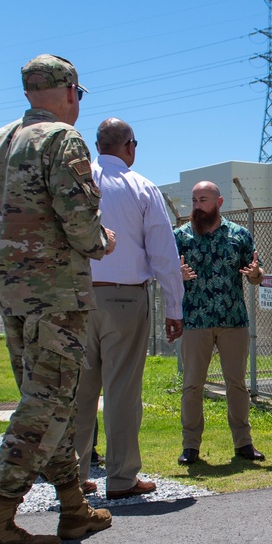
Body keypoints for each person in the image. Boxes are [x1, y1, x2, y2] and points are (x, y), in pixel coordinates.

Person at [0, 54, 116, 544]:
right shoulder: (62, 139)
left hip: (10, 291)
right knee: (48, 403)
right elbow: (80, 223)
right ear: (70, 91)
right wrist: (103, 242)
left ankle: (73, 508)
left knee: (48, 399)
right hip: (55, 294)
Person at [73, 118, 184, 500]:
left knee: (80, 390)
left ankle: (73, 476)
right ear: (129, 146)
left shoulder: (77, 181)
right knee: (121, 390)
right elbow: (163, 252)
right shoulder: (140, 187)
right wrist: (174, 305)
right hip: (124, 297)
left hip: (77, 297)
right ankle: (120, 477)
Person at [175, 181, 265, 465]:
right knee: (192, 385)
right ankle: (190, 446)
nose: (197, 205)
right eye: (194, 200)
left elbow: (255, 274)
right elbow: (163, 274)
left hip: (233, 320)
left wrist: (255, 273)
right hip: (195, 320)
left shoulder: (239, 235)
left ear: (219, 202)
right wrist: (177, 275)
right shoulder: (180, 236)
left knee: (236, 384)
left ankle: (243, 443)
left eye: (203, 199)